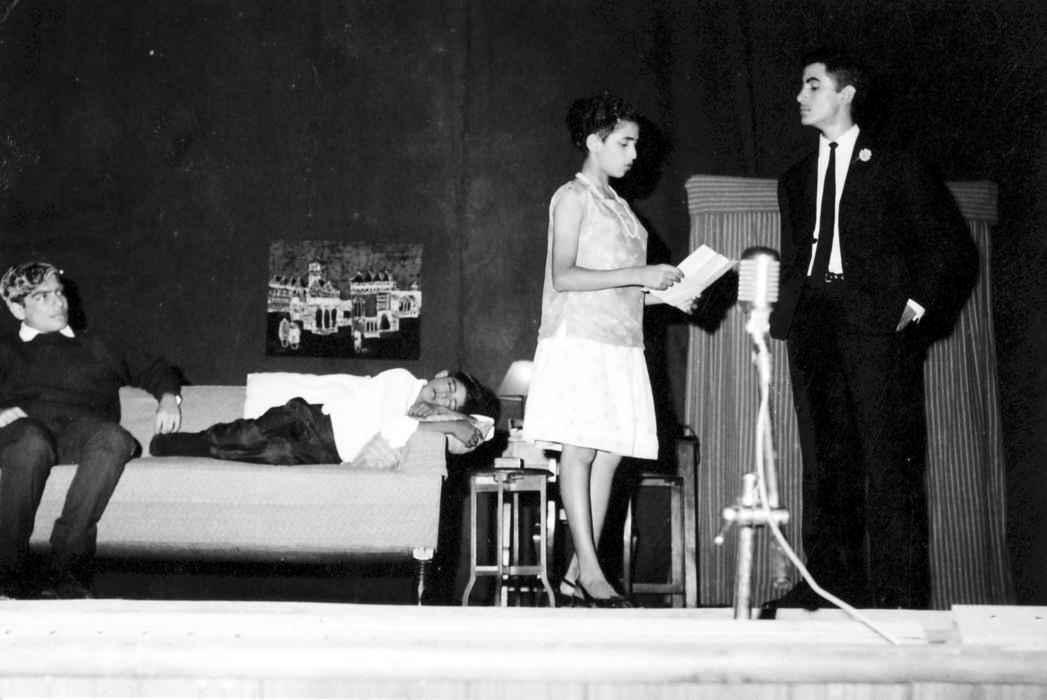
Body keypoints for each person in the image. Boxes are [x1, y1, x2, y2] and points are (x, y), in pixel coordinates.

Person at [767, 49, 978, 610]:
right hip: (814, 326)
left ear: (846, 93)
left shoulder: (896, 164)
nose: (800, 96)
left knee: (888, 464)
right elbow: (798, 257)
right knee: (825, 464)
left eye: (813, 85)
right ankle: (828, 588)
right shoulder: (794, 179)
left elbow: (952, 250)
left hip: (876, 328)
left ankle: (897, 597)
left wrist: (915, 308)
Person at [523, 93, 684, 607]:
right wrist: (641, 274)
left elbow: (624, 288)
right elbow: (564, 275)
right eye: (625, 143)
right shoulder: (572, 197)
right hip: (579, 339)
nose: (634, 154)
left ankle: (579, 573)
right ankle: (591, 573)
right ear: (595, 142)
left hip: (621, 342)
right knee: (581, 450)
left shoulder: (619, 206)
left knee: (610, 454)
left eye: (636, 144)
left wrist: (668, 294)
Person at [0, 261, 184, 599]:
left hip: (81, 434)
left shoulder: (99, 345)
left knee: (115, 437)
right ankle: (5, 574)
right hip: (23, 434)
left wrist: (169, 398)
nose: (58, 302)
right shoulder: (6, 350)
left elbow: (156, 369)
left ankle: (66, 571)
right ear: (17, 308)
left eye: (59, 292)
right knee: (30, 441)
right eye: (42, 296)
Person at [150, 368, 499, 466]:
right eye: (449, 386)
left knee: (252, 455)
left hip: (325, 452)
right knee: (244, 437)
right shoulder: (402, 380)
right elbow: (391, 425)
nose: (443, 395)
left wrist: (450, 419)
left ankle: (186, 447)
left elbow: (486, 428)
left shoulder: (423, 420)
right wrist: (451, 421)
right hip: (309, 419)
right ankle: (176, 442)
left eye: (451, 401)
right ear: (441, 375)